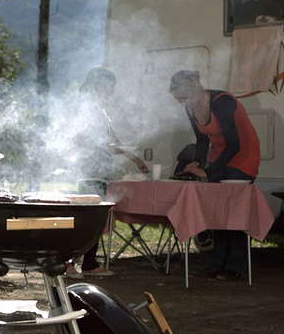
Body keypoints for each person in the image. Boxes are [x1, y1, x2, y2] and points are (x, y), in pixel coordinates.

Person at [169, 70, 260, 281]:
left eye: (181, 97)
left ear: (192, 88)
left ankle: (236, 266)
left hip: (243, 155)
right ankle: (216, 263)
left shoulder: (222, 102)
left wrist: (208, 171)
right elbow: (202, 141)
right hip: (220, 156)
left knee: (234, 212)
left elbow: (235, 143)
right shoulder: (191, 108)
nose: (180, 102)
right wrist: (198, 162)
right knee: (216, 212)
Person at [66, 66, 148, 279]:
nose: (111, 92)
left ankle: (89, 263)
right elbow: (80, 138)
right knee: (87, 220)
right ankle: (70, 263)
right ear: (100, 85)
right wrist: (98, 146)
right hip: (89, 172)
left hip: (97, 172)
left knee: (94, 220)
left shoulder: (98, 110)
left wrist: (134, 158)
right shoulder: (87, 108)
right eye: (110, 87)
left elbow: (112, 142)